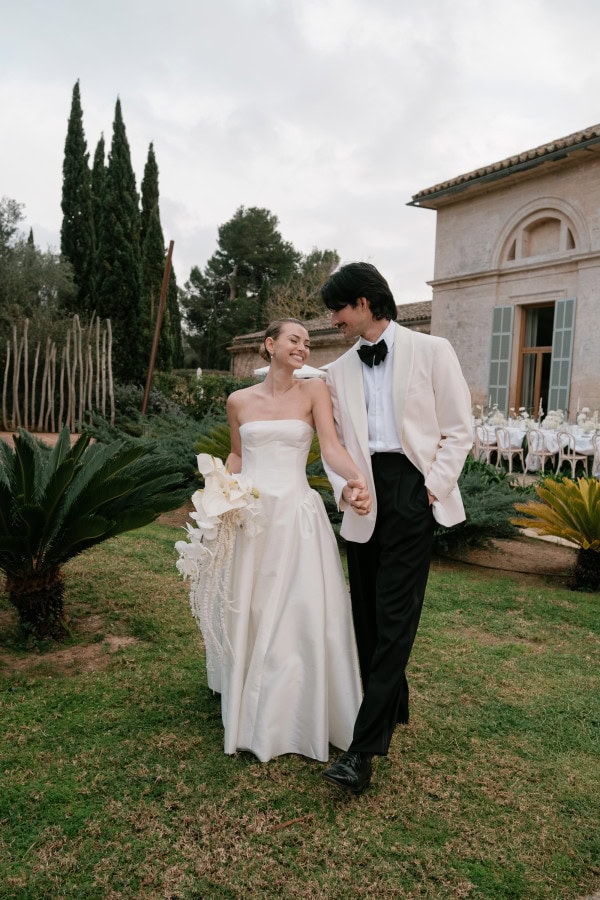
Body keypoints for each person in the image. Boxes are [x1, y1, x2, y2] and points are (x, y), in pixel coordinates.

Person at [319, 262, 473, 795]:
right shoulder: (336, 371)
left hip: (412, 490)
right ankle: (394, 701)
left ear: (363, 302)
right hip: (364, 496)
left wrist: (432, 486)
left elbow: (459, 429)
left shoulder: (434, 351)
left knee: (395, 615)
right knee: (367, 616)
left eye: (337, 309)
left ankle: (362, 753)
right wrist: (345, 490)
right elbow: (332, 447)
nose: (333, 319)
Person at [216, 317, 371, 763]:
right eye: (294, 340)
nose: (303, 347)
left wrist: (356, 480)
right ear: (270, 345)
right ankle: (247, 696)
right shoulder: (238, 400)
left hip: (295, 516)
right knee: (255, 604)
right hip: (250, 517)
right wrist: (220, 496)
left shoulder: (314, 392)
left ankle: (292, 710)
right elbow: (238, 455)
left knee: (297, 609)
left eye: (307, 342)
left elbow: (332, 447)